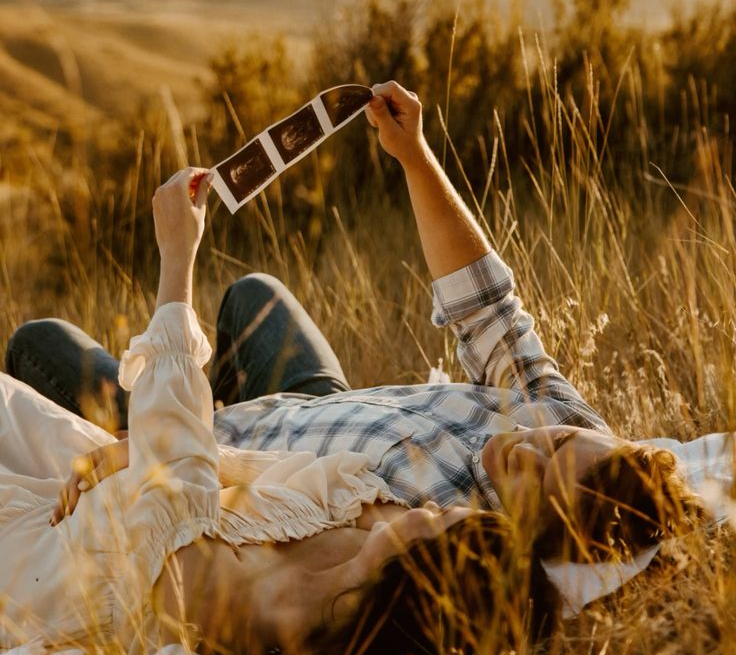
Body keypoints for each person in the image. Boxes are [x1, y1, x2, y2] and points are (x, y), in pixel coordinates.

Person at [6, 84, 701, 563]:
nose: (527, 446)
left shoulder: (441, 529)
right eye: (554, 443)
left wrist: (155, 442)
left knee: (39, 345)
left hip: (222, 447)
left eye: (533, 477)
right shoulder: (559, 416)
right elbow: (487, 307)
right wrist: (413, 153)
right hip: (319, 400)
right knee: (255, 292)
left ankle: (177, 396)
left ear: (538, 534)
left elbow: (247, 506)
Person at [0, 168, 552, 655]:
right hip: (91, 479)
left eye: (437, 524)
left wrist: (177, 256)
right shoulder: (355, 548)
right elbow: (264, 472)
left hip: (35, 541)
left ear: (415, 578)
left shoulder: (259, 609)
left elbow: (174, 480)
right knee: (252, 294)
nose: (432, 507)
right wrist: (146, 451)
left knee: (35, 348)